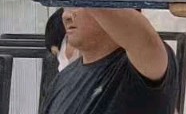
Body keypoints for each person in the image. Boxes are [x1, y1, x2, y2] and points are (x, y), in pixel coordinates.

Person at [40, 8, 178, 114]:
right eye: (66, 6)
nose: (66, 16)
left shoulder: (138, 66)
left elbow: (145, 40)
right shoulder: (63, 79)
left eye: (78, 5)